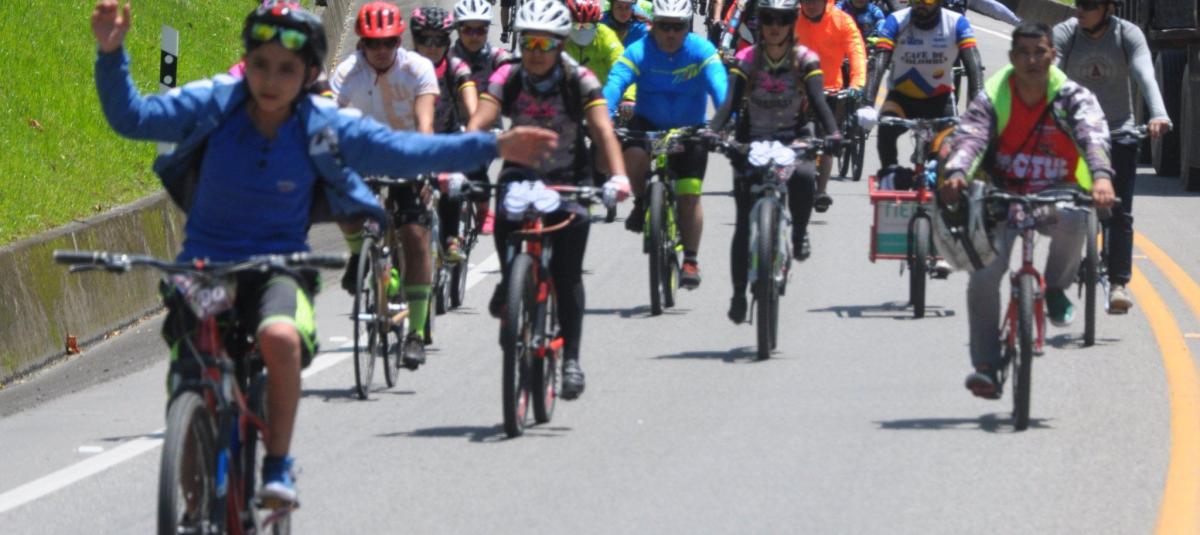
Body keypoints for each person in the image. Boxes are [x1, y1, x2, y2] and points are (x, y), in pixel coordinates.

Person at [91, 0, 554, 504]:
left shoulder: (322, 123)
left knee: (280, 338)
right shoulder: (214, 102)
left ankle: (277, 465)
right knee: (190, 384)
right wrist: (111, 54)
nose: (271, 80)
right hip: (203, 268)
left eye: (287, 69)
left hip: (278, 270)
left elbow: (405, 151)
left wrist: (493, 147)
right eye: (261, 64)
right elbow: (132, 117)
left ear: (310, 73)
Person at [938, 22, 1115, 398]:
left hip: (1057, 192)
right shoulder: (994, 94)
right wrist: (956, 172)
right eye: (1024, 53)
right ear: (1012, 57)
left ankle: (1056, 289)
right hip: (1003, 195)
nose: (1032, 60)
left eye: (1040, 52)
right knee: (983, 277)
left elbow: (1093, 135)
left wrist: (1101, 178)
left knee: (1076, 217)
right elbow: (971, 137)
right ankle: (986, 366)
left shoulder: (1071, 96)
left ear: (1053, 55)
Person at [467, 0, 630, 400]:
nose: (536, 52)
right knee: (506, 217)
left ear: (561, 44)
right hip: (520, 173)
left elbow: (602, 130)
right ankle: (510, 280)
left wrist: (618, 176)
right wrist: (456, 161)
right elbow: (481, 119)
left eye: (546, 43)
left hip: (569, 178)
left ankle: (571, 359)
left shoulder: (579, 80)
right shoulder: (508, 75)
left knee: (567, 273)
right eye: (529, 43)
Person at [709, 0, 841, 322]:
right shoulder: (746, 59)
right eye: (768, 19)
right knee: (743, 223)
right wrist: (712, 132)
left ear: (791, 22)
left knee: (804, 176)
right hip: (752, 138)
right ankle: (738, 294)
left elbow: (819, 102)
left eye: (782, 20)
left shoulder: (805, 59)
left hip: (793, 135)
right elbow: (729, 104)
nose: (774, 27)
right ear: (759, 22)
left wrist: (834, 133)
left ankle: (798, 232)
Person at [331, 1, 440, 366]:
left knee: (414, 235)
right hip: (363, 156)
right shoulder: (348, 72)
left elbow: (425, 122)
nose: (381, 51)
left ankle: (416, 333)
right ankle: (359, 255)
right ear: (360, 43)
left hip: (406, 154)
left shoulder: (417, 68)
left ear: (399, 41)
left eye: (389, 42)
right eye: (372, 43)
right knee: (342, 204)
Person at [1053, 0, 1171, 313]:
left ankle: (1118, 283)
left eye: (1089, 5)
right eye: (1078, 3)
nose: (1081, 10)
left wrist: (1159, 113)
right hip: (1075, 132)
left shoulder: (1127, 34)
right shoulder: (1066, 33)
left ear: (1109, 9)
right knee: (1066, 209)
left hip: (1118, 130)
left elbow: (1145, 74)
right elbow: (1051, 75)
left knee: (1120, 211)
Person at [604, 0, 728, 289]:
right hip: (648, 122)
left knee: (689, 195)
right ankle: (641, 201)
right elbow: (615, 83)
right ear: (653, 25)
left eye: (678, 27)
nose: (670, 33)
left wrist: (726, 120)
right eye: (664, 26)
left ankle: (691, 260)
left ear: (688, 27)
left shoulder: (701, 50)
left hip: (690, 128)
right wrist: (604, 116)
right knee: (632, 156)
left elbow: (720, 86)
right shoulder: (639, 50)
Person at [864, 0, 983, 186]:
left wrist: (977, 113)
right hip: (901, 99)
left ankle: (936, 176)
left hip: (940, 100)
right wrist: (867, 104)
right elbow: (879, 63)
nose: (921, 4)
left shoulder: (956, 23)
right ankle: (890, 175)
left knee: (947, 150)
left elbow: (974, 67)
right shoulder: (896, 21)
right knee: (886, 131)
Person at [410, 6, 479, 266]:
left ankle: (451, 238)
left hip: (446, 139)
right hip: (409, 139)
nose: (432, 47)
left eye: (439, 40)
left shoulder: (455, 66)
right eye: (425, 39)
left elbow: (469, 96)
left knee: (452, 183)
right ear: (414, 38)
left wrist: (476, 125)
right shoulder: (403, 65)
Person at [794, 0, 867, 213]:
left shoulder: (842, 21)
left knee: (828, 138)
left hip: (830, 90)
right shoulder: (792, 18)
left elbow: (857, 53)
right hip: (798, 89)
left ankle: (821, 190)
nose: (810, 5)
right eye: (805, 1)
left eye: (815, 1)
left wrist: (856, 84)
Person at [452, 0, 514, 236]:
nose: (474, 36)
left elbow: (516, 76)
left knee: (474, 160)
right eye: (468, 29)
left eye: (481, 30)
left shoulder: (498, 57)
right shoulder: (447, 58)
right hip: (453, 126)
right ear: (458, 29)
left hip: (489, 129)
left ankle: (484, 210)